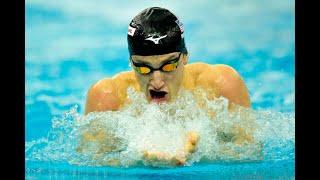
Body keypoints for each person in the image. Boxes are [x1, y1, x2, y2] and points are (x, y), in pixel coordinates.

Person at [80, 7, 258, 166]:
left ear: (185, 56)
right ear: (131, 63)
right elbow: (89, 162)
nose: (157, 81)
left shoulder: (220, 85)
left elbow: (251, 152)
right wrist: (139, 159)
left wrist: (200, 153)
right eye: (143, 68)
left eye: (168, 66)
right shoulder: (109, 97)